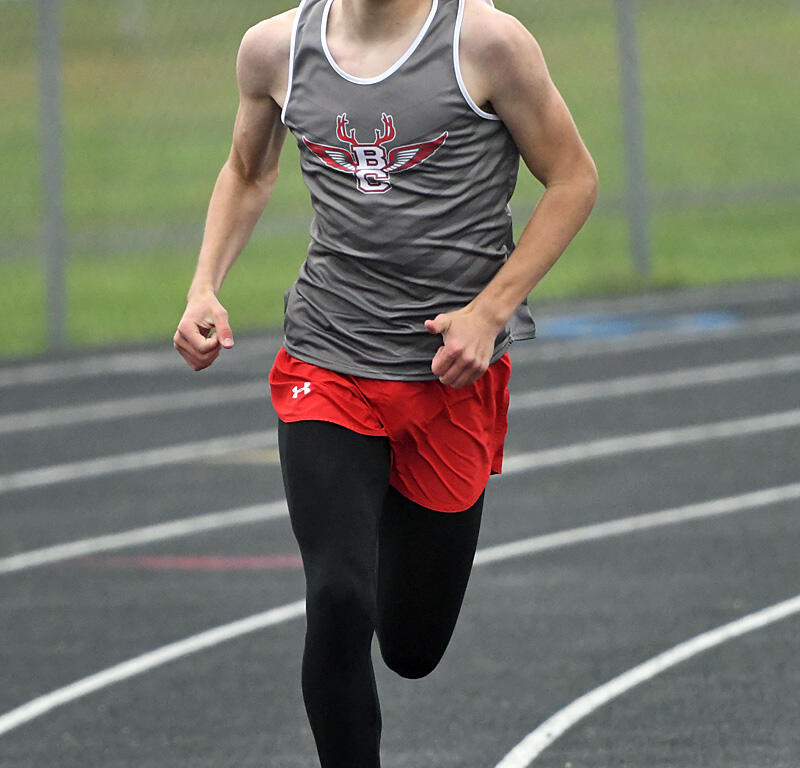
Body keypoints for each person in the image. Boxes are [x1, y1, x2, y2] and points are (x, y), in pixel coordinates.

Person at [174, 0, 597, 763]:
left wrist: (489, 312)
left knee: (410, 645)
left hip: (447, 374)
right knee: (338, 597)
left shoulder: (487, 43)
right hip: (326, 357)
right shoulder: (273, 49)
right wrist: (204, 286)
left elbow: (573, 179)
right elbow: (247, 171)